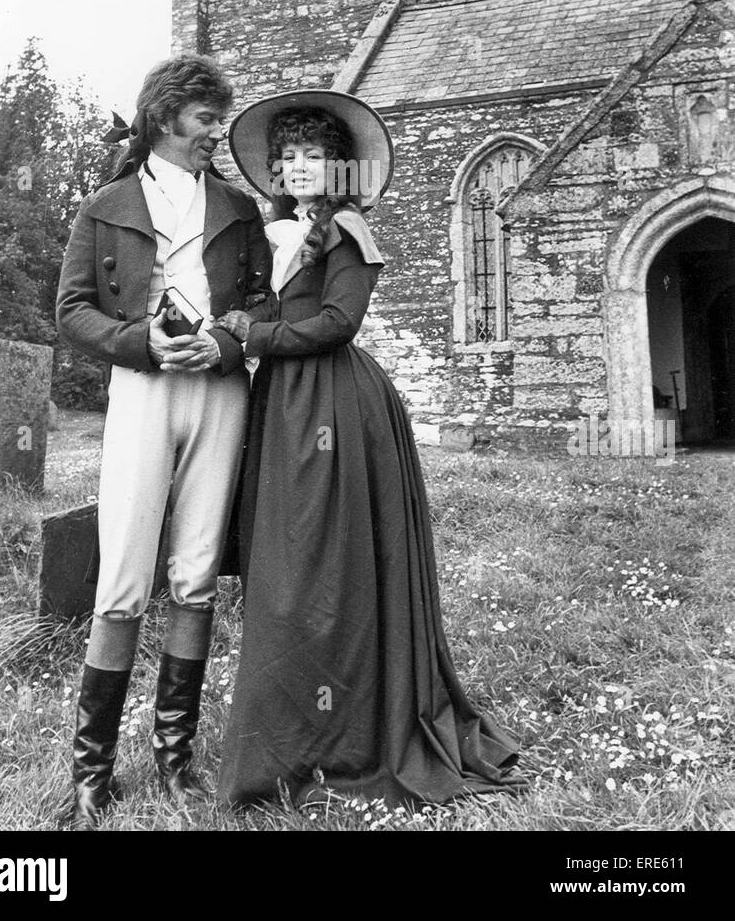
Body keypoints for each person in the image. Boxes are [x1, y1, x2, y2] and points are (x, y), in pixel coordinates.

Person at [214, 89, 523, 808]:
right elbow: (276, 309)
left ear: (340, 168)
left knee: (324, 561)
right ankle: (292, 735)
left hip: (333, 403)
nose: (295, 168)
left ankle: (346, 731)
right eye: (285, 156)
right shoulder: (283, 234)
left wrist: (251, 335)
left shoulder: (348, 230)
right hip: (285, 404)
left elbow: (333, 325)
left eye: (311, 156)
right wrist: (232, 317)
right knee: (286, 563)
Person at [55, 54, 272, 830]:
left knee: (197, 570)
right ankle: (92, 775)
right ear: (164, 117)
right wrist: (140, 342)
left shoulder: (238, 210)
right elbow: (72, 310)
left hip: (219, 391)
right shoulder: (105, 204)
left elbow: (259, 301)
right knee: (121, 574)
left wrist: (223, 341)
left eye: (220, 118)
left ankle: (173, 763)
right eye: (207, 118)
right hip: (143, 392)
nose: (218, 132)